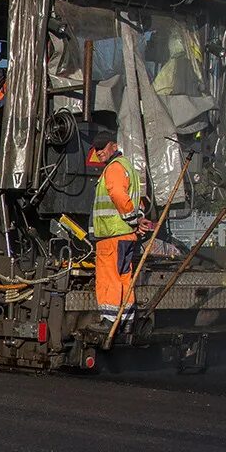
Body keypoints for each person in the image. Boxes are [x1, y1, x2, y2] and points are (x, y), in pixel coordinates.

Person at [89, 131, 146, 333]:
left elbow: (117, 195)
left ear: (114, 146)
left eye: (103, 147)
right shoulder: (128, 168)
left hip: (112, 234)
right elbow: (137, 200)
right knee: (124, 277)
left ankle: (109, 320)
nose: (99, 152)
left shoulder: (113, 169)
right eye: (96, 149)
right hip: (125, 235)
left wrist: (132, 218)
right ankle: (128, 319)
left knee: (108, 277)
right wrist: (137, 220)